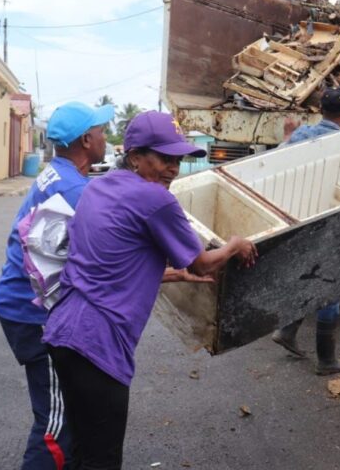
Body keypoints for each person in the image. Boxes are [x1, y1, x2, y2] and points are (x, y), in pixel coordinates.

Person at [42, 111, 258, 469]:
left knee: (84, 449)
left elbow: (111, 265)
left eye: (178, 159)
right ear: (136, 157)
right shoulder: (156, 200)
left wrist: (173, 275)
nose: (172, 168)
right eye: (163, 158)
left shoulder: (99, 186)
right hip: (99, 345)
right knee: (102, 460)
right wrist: (235, 245)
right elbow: (202, 263)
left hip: (64, 333)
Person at [0, 101, 114, 470]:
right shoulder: (77, 191)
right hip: (35, 315)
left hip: (22, 300)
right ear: (86, 140)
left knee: (68, 408)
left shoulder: (56, 174)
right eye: (101, 131)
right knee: (55, 421)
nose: (106, 137)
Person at [271, 86, 340, 375]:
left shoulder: (302, 135)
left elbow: (277, 160)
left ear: (320, 109)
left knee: (308, 274)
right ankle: (327, 360)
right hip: (328, 221)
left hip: (299, 218)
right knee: (330, 284)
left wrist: (286, 137)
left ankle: (287, 331)